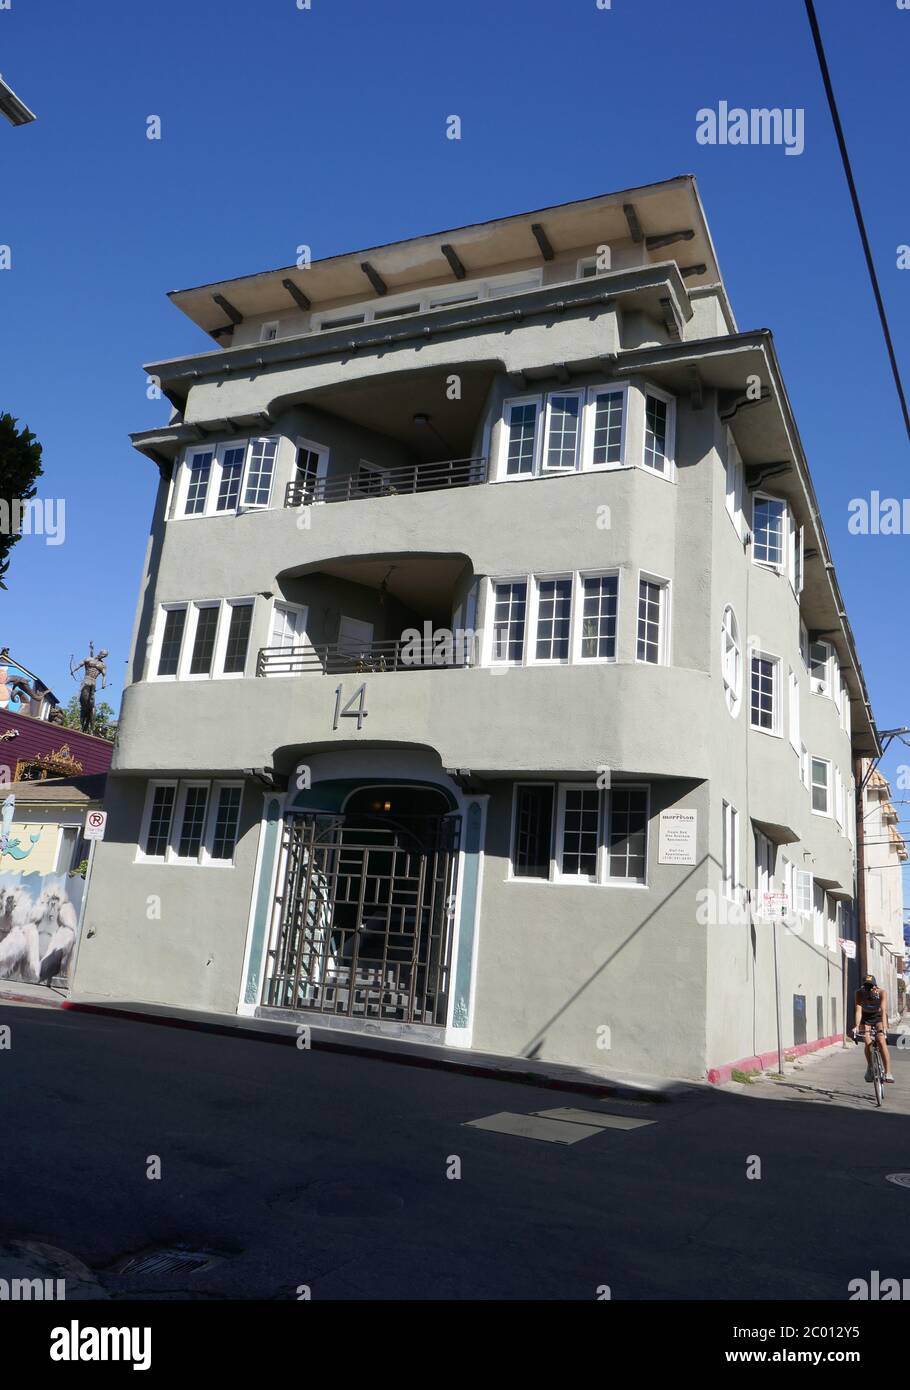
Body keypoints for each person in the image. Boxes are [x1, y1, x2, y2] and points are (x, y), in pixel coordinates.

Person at [853, 974, 894, 1083]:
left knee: (881, 1040)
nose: (868, 989)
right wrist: (857, 1026)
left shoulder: (882, 993)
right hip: (865, 1018)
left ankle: (888, 1072)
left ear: (876, 986)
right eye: (866, 986)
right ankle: (870, 1067)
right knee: (868, 1042)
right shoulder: (859, 993)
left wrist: (885, 1028)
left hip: (878, 1017)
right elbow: (858, 1011)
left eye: (871, 986)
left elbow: (883, 1010)